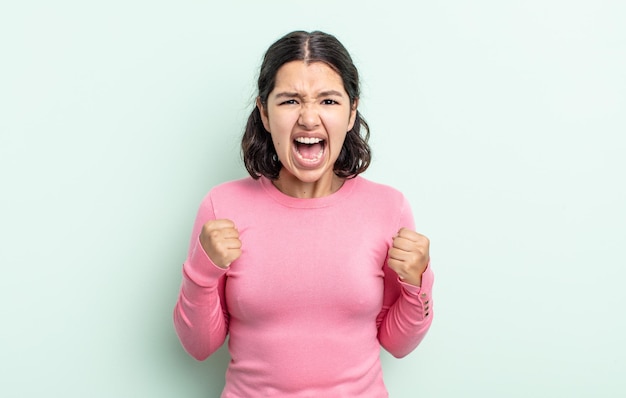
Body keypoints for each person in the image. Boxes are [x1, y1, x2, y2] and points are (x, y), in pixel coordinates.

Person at [173, 30, 434, 397]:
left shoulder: (389, 209)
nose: (309, 119)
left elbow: (399, 343)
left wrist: (418, 282)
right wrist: (202, 272)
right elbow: (198, 346)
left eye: (328, 101)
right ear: (264, 113)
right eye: (290, 101)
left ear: (351, 112)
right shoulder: (222, 207)